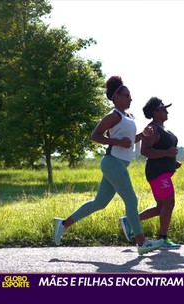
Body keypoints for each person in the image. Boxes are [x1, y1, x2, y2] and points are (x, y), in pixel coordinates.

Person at [53, 76, 164, 255]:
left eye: (130, 95)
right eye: (126, 95)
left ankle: (64, 224)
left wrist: (142, 135)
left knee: (99, 203)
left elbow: (128, 142)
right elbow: (95, 135)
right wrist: (115, 141)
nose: (130, 98)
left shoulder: (127, 116)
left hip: (118, 164)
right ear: (116, 97)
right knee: (131, 200)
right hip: (112, 162)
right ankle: (141, 242)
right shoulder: (113, 115)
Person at [119, 96, 181, 250]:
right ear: (155, 112)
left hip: (163, 171)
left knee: (161, 207)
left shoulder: (163, 128)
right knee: (169, 203)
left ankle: (129, 221)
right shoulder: (152, 129)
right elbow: (145, 151)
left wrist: (172, 161)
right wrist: (167, 153)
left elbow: (164, 150)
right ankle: (163, 239)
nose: (167, 111)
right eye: (163, 108)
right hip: (157, 172)